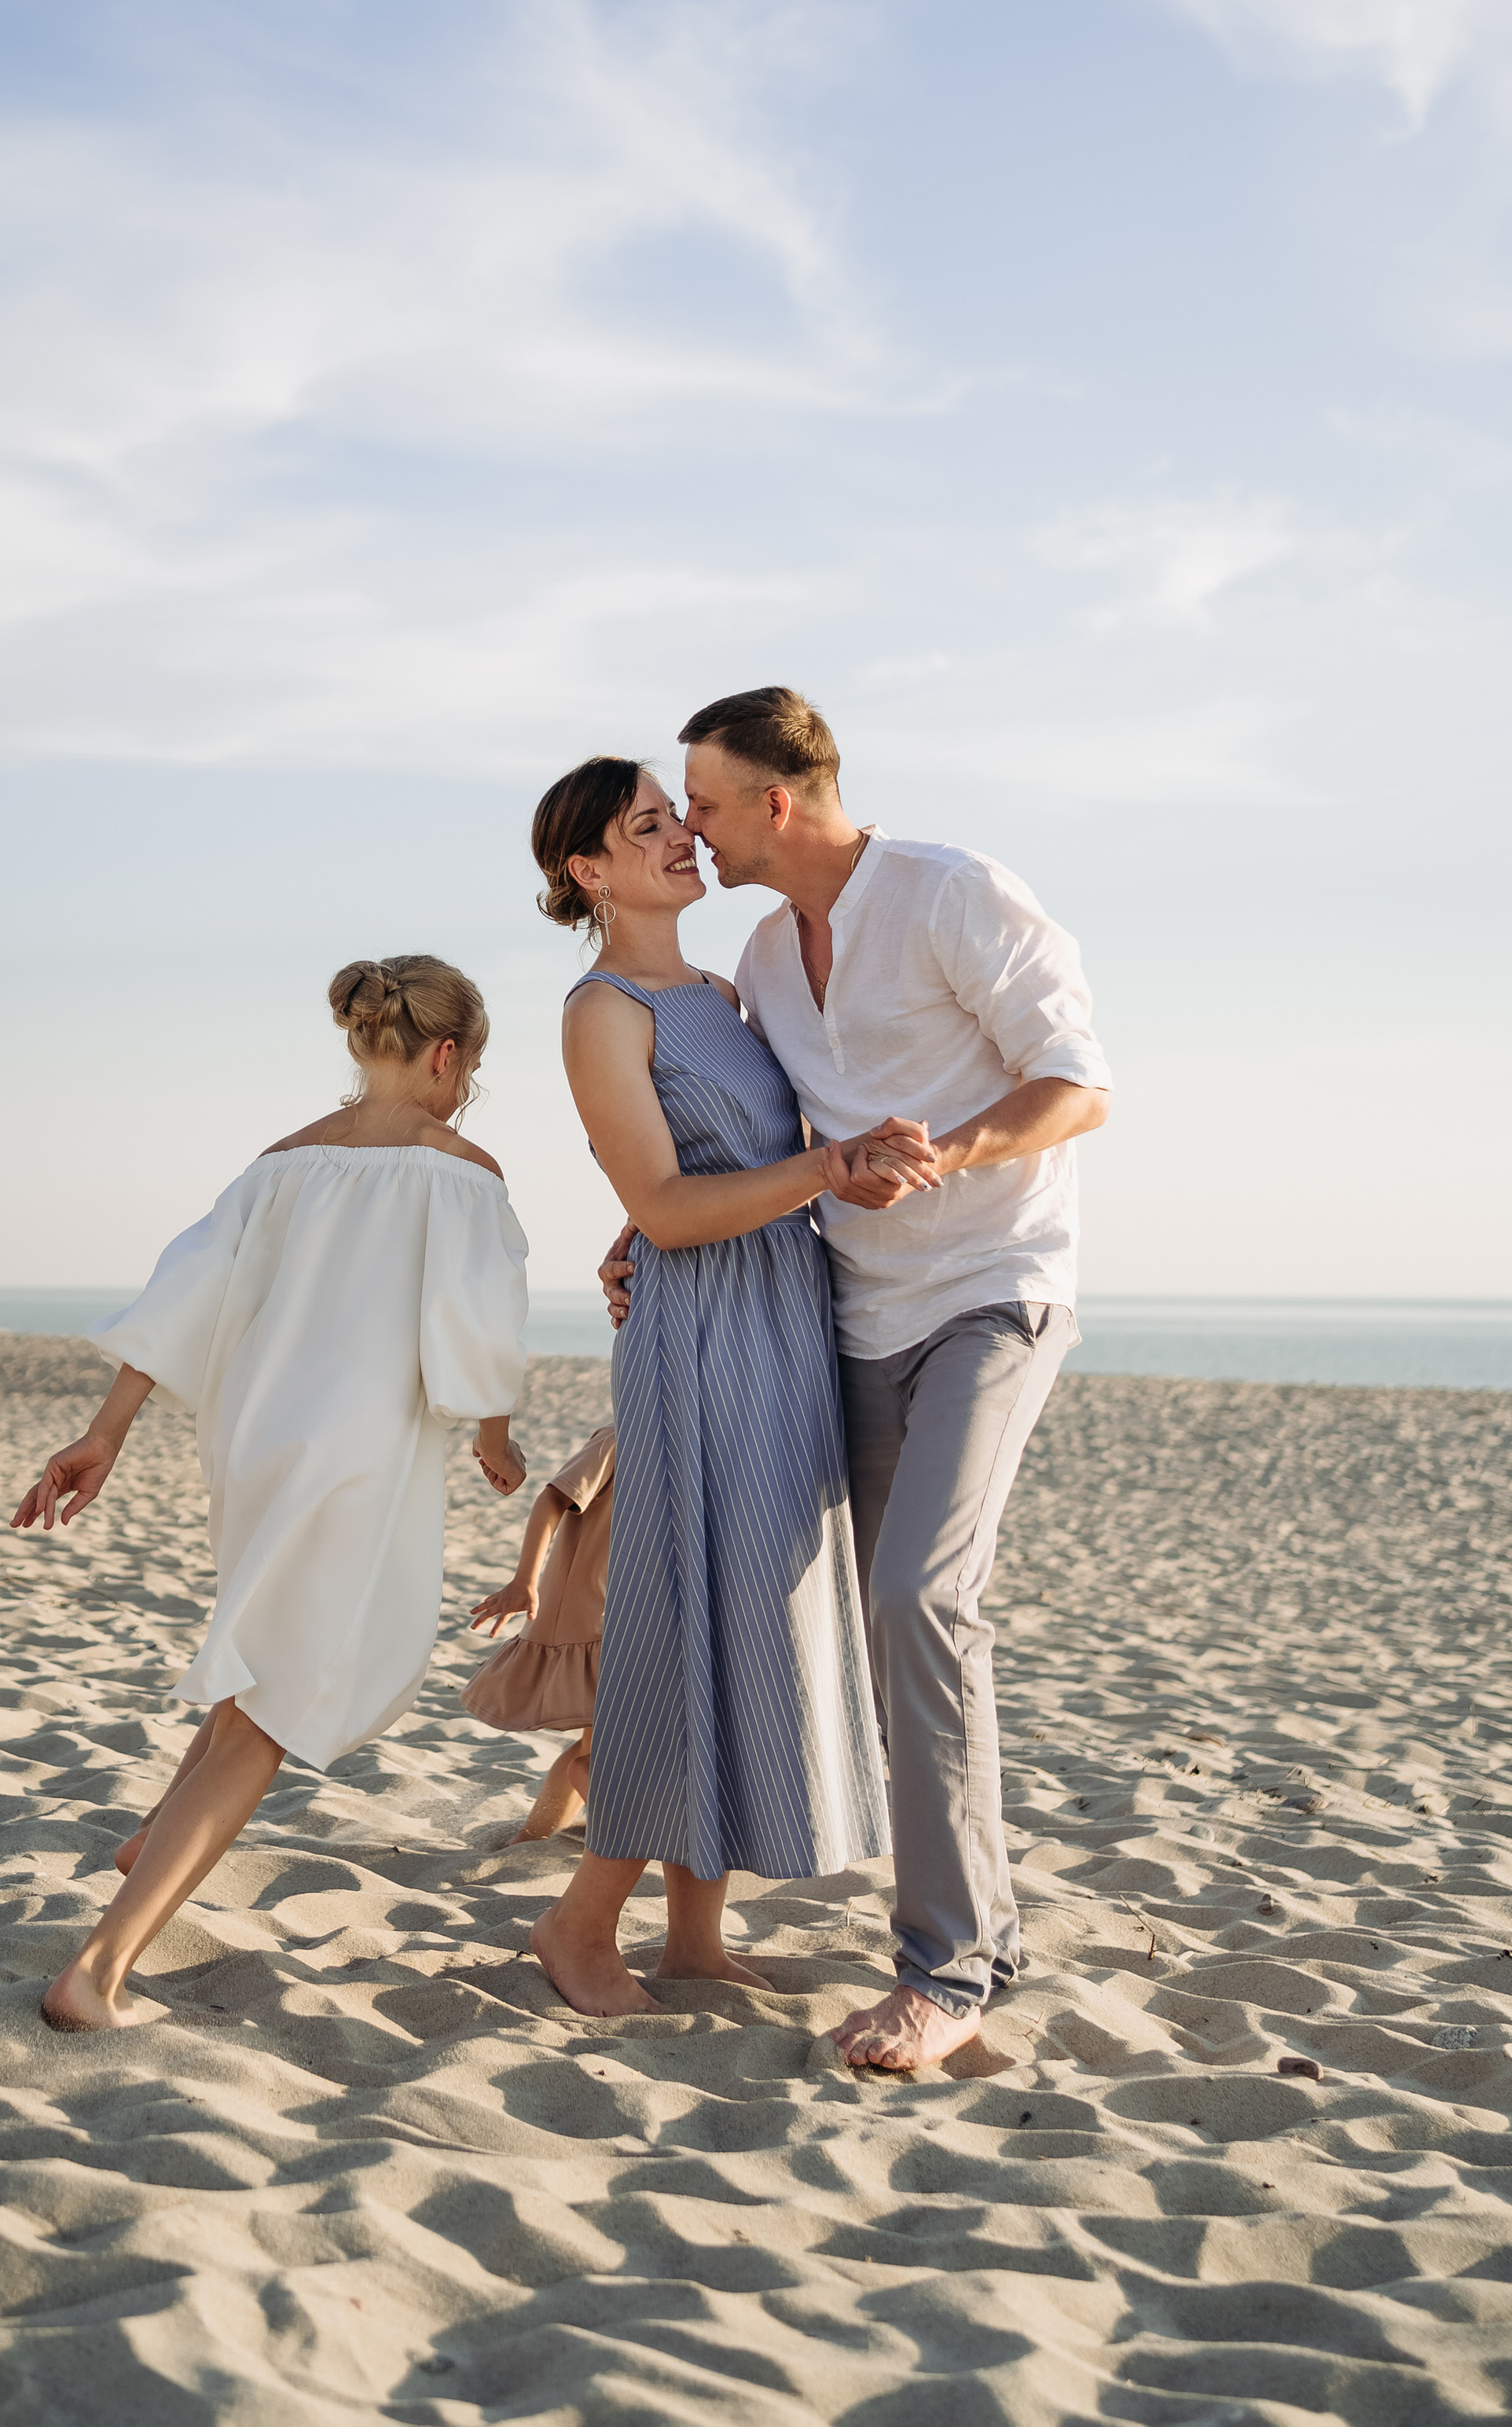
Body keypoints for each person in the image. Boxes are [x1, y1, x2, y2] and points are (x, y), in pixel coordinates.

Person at [608, 685, 1111, 2074]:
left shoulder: (955, 895)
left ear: (778, 801)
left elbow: (1078, 1084)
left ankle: (945, 1972)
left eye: (703, 803)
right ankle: (977, 1928)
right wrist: (636, 1219)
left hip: (992, 1294)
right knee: (883, 1625)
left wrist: (946, 1153)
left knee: (919, 1599)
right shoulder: (766, 958)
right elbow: (757, 1129)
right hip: (849, 1313)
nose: (691, 829)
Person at [9, 954, 530, 2032]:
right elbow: (474, 1326)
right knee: (274, 1702)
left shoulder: (279, 1165)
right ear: (447, 1056)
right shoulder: (462, 1171)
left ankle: (153, 1836)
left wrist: (105, 1433)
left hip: (253, 1444)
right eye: (467, 1070)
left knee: (260, 1658)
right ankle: (96, 1974)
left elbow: (182, 1295)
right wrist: (495, 1433)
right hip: (355, 1458)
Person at [524, 757, 927, 2016]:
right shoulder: (604, 1010)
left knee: (747, 1614)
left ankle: (694, 1939)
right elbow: (660, 1203)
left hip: (782, 1318)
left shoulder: (720, 987)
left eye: (679, 817)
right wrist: (825, 1173)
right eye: (651, 827)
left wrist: (819, 1173)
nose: (683, 837)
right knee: (686, 1618)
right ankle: (583, 1925)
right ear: (591, 872)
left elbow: (733, 1163)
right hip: (700, 1336)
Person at [461, 1419, 615, 1841]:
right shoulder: (621, 1436)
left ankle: (532, 1838)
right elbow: (552, 1499)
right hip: (593, 1613)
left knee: (594, 1744)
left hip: (632, 1614)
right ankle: (615, 1842)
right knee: (602, 1748)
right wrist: (524, 1580)